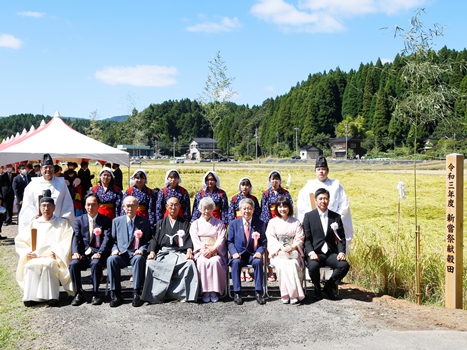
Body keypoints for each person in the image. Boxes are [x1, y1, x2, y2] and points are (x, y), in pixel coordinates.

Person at [15, 194, 74, 306]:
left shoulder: (62, 223)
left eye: (49, 206)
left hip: (52, 256)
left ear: (54, 207)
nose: (46, 209)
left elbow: (67, 240)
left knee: (48, 265)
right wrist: (28, 251)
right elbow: (20, 240)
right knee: (30, 266)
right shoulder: (34, 223)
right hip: (36, 256)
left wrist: (57, 252)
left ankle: (51, 297)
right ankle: (30, 297)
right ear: (40, 208)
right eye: (43, 206)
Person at [141, 196, 198, 303]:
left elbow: (189, 239)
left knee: (189, 264)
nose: (173, 207)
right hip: (164, 253)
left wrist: (189, 250)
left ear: (179, 206)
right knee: (150, 263)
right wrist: (152, 252)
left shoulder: (185, 223)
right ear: (166, 207)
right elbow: (154, 239)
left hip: (179, 252)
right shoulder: (160, 223)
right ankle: (155, 295)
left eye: (176, 205)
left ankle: (183, 295)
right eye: (171, 205)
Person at [296, 155, 354, 253]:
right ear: (315, 171)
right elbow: (301, 207)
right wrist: (310, 220)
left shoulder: (336, 186)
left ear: (327, 171)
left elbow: (343, 206)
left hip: (333, 224)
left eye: (323, 169)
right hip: (313, 224)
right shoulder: (308, 187)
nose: (321, 171)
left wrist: (336, 220)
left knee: (334, 250)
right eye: (319, 169)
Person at [302, 188, 350, 301]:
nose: (323, 201)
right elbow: (306, 238)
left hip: (330, 253)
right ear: (316, 200)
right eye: (320, 198)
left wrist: (341, 252)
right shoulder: (309, 216)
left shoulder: (336, 217)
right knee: (313, 266)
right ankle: (317, 288)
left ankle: (328, 287)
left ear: (329, 200)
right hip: (316, 252)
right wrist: (310, 252)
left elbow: (340, 238)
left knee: (344, 265)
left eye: (325, 198)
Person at [107, 196, 152, 307]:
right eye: (127, 205)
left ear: (137, 207)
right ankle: (116, 293)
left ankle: (137, 293)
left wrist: (142, 249)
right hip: (121, 254)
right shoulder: (116, 221)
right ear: (123, 207)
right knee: (111, 260)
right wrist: (114, 249)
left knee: (139, 259)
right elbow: (112, 240)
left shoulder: (144, 222)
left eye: (133, 205)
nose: (130, 208)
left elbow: (148, 240)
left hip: (135, 254)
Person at [69, 194, 112, 306]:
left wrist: (100, 252)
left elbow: (107, 239)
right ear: (84, 206)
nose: (90, 207)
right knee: (73, 264)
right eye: (88, 204)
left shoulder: (105, 220)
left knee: (96, 263)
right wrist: (75, 252)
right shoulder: (79, 220)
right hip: (83, 254)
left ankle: (95, 293)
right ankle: (79, 292)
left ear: (98, 205)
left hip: (98, 254)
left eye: (93, 204)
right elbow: (76, 237)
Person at [19, 154, 75, 233]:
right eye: (45, 167)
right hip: (38, 224)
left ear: (54, 169)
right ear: (41, 170)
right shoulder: (32, 185)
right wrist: (36, 217)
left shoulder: (61, 184)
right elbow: (27, 207)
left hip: (57, 225)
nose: (48, 170)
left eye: (50, 167)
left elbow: (67, 205)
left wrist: (62, 219)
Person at [266, 196, 305, 304]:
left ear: (289, 208)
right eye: (280, 206)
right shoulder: (272, 222)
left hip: (292, 252)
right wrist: (281, 248)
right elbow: (271, 238)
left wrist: (291, 247)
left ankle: (293, 294)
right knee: (282, 265)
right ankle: (286, 294)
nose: (282, 209)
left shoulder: (296, 222)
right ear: (277, 208)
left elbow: (300, 238)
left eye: (285, 206)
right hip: (278, 253)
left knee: (292, 264)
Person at [227, 198, 267, 305]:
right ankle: (237, 292)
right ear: (240, 210)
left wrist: (259, 251)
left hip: (253, 254)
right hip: (238, 254)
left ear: (253, 210)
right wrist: (234, 252)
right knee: (235, 263)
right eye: (244, 208)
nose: (247, 211)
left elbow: (263, 242)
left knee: (258, 262)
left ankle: (258, 292)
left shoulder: (260, 223)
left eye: (249, 208)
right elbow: (229, 242)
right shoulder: (233, 224)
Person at [190, 197, 227, 303]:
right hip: (201, 251)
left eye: (209, 208)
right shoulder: (195, 224)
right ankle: (205, 291)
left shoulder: (219, 224)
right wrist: (202, 250)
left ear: (213, 209)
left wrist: (213, 249)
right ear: (200, 209)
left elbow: (221, 239)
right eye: (204, 208)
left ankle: (215, 291)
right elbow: (195, 239)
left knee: (215, 262)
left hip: (215, 251)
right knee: (202, 262)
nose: (206, 211)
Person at [260, 170, 293, 281]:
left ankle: (283, 269)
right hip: (270, 222)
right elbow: (264, 210)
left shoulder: (285, 193)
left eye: (276, 179)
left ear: (280, 180)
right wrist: (270, 223)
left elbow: (289, 205)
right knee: (271, 246)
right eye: (272, 179)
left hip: (284, 220)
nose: (274, 181)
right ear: (269, 180)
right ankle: (270, 271)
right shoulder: (266, 193)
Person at [228, 177, 261, 282]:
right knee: (239, 247)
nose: (245, 187)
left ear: (250, 187)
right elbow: (230, 214)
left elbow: (257, 214)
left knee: (251, 245)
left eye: (247, 185)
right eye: (243, 184)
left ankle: (247, 272)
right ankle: (241, 272)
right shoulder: (234, 198)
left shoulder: (254, 198)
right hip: (238, 224)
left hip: (250, 225)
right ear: (240, 186)